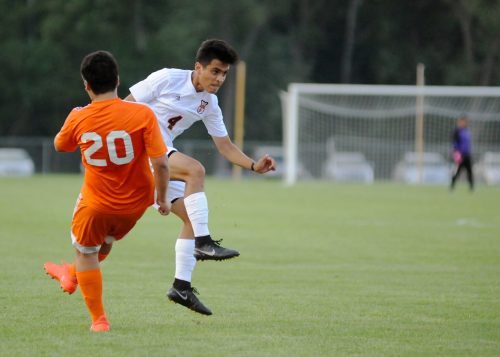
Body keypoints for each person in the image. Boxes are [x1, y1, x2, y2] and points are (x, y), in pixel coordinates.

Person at [124, 39, 276, 312]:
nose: (219, 79)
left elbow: (225, 147)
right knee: (195, 170)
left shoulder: (210, 103)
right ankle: (204, 244)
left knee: (191, 221)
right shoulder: (167, 78)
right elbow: (125, 106)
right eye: (215, 71)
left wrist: (254, 166)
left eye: (225, 74)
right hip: (139, 151)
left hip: (160, 157)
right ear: (198, 67)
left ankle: (181, 288)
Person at [44, 50, 175, 332]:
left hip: (97, 203)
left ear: (86, 86)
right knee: (104, 241)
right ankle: (70, 273)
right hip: (136, 203)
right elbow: (161, 164)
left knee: (86, 251)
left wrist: (74, 119)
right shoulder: (142, 113)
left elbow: (60, 144)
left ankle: (99, 320)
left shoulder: (79, 117)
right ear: (117, 79)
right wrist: (162, 199)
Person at [450, 116, 474, 191]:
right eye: (461, 121)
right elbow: (454, 144)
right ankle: (452, 186)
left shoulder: (467, 131)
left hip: (467, 155)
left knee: (469, 171)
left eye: (464, 121)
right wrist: (455, 154)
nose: (463, 123)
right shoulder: (457, 131)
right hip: (460, 155)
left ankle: (471, 188)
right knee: (457, 172)